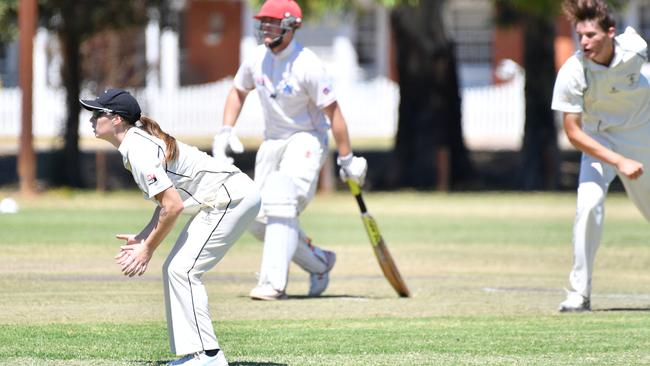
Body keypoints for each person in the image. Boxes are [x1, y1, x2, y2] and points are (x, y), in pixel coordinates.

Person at [80, 88, 261, 365]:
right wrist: (143, 237)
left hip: (231, 199)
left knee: (182, 270)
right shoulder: (136, 143)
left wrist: (147, 249)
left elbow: (173, 206)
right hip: (227, 198)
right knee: (178, 270)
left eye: (97, 113)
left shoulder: (138, 148)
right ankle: (199, 354)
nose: (92, 119)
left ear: (116, 119)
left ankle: (208, 356)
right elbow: (165, 201)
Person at [212, 0, 367, 300]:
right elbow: (237, 91)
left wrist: (347, 159)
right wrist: (225, 131)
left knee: (281, 198)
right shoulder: (257, 59)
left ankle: (273, 283)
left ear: (290, 25)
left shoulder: (307, 65)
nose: (265, 28)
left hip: (307, 139)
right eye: (263, 22)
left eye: (272, 22)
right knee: (254, 216)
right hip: (272, 142)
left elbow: (334, 113)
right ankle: (319, 263)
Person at [552, 0, 650, 312]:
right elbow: (573, 133)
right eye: (579, 35)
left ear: (611, 32)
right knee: (588, 204)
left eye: (591, 35)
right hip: (599, 141)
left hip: (641, 140)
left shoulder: (635, 49)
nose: (584, 42)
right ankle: (580, 294)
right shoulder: (573, 71)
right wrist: (618, 160)